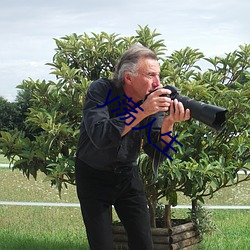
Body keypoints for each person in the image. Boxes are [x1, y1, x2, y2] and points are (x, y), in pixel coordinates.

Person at [75, 44, 190, 250]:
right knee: (101, 245)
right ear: (128, 78)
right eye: (151, 75)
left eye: (159, 75)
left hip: (127, 176)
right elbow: (100, 135)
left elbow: (157, 152)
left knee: (144, 243)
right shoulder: (101, 90)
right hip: (92, 176)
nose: (158, 83)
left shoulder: (151, 102)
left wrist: (169, 123)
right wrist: (142, 111)